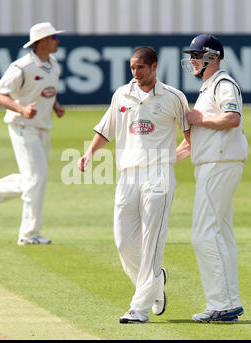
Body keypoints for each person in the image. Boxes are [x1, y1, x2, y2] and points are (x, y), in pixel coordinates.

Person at [79, 47, 190, 323]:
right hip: (127, 175)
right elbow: (107, 129)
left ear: (154, 66)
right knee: (123, 243)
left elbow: (191, 136)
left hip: (159, 176)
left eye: (141, 67)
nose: (136, 73)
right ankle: (156, 283)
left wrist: (172, 157)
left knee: (152, 242)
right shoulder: (122, 95)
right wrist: (90, 153)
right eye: (132, 68)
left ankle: (138, 309)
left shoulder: (174, 97)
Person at [0, 22, 66, 245]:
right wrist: (22, 109)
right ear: (41, 41)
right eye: (53, 37)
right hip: (22, 126)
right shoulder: (21, 67)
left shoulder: (53, 65)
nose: (57, 40)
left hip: (43, 126)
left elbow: (43, 92)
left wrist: (55, 105)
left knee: (32, 180)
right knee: (37, 178)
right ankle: (28, 234)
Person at [178, 34, 248, 321]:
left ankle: (220, 304)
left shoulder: (222, 84)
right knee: (221, 233)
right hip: (216, 162)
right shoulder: (209, 87)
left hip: (218, 164)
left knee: (203, 234)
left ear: (212, 57)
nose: (193, 61)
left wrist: (199, 120)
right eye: (192, 56)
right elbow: (200, 134)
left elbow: (232, 118)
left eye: (197, 56)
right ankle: (229, 300)